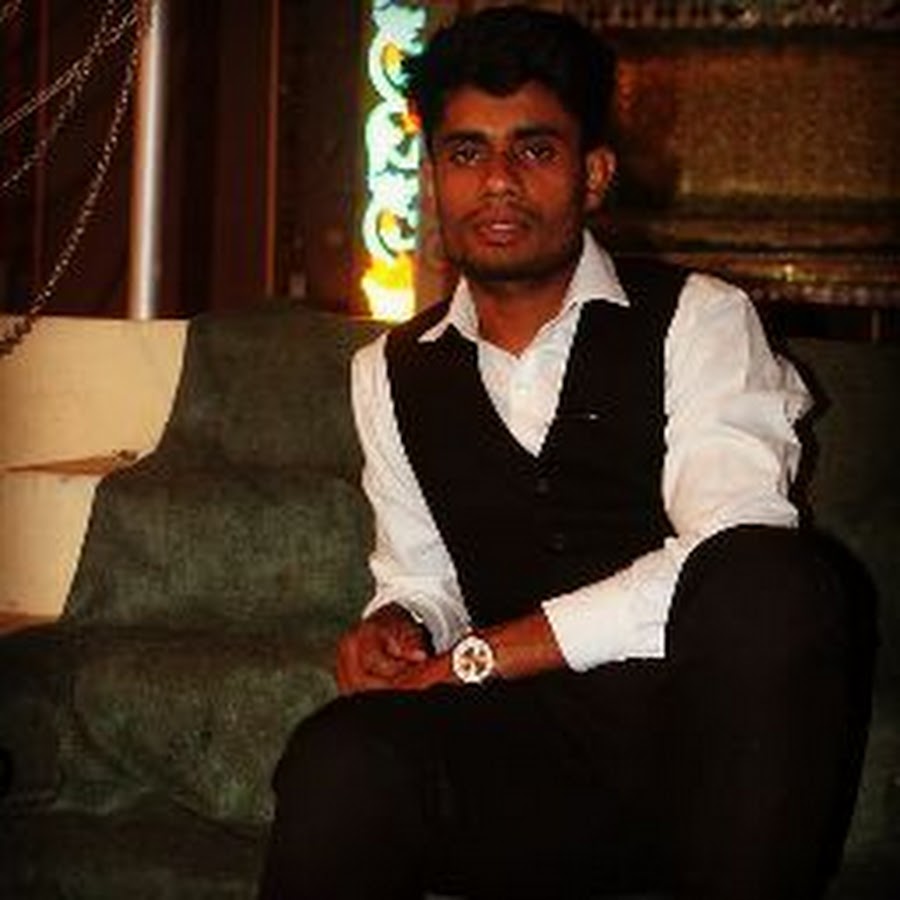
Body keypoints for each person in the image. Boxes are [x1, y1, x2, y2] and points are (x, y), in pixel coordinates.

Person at [258, 7, 870, 899]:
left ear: (594, 174)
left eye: (535, 150)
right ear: (433, 177)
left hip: (719, 763)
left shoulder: (700, 318)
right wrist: (401, 626)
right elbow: (421, 575)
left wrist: (486, 654)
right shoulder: (387, 371)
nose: (497, 182)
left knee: (769, 579)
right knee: (340, 753)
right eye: (466, 153)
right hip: (526, 774)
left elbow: (733, 555)